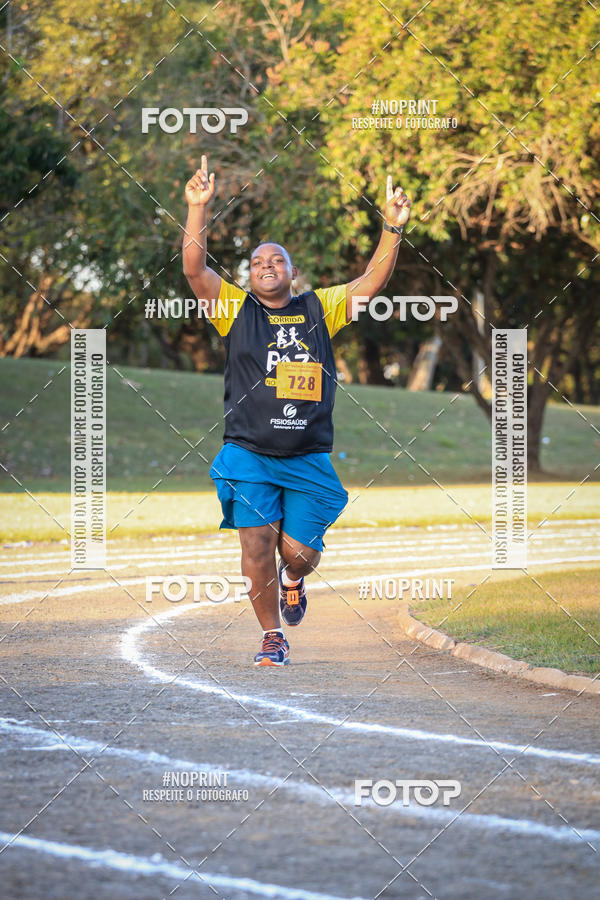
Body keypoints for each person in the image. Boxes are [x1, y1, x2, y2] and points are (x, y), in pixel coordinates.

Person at [183, 155, 411, 666]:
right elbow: (195, 269)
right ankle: (272, 636)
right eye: (258, 262)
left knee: (298, 554)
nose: (267, 265)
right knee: (255, 545)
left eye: (277, 260)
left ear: (292, 272)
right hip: (248, 452)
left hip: (306, 455)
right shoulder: (233, 309)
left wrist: (392, 228)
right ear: (249, 275)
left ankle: (293, 579)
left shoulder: (319, 308)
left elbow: (371, 282)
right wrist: (198, 208)